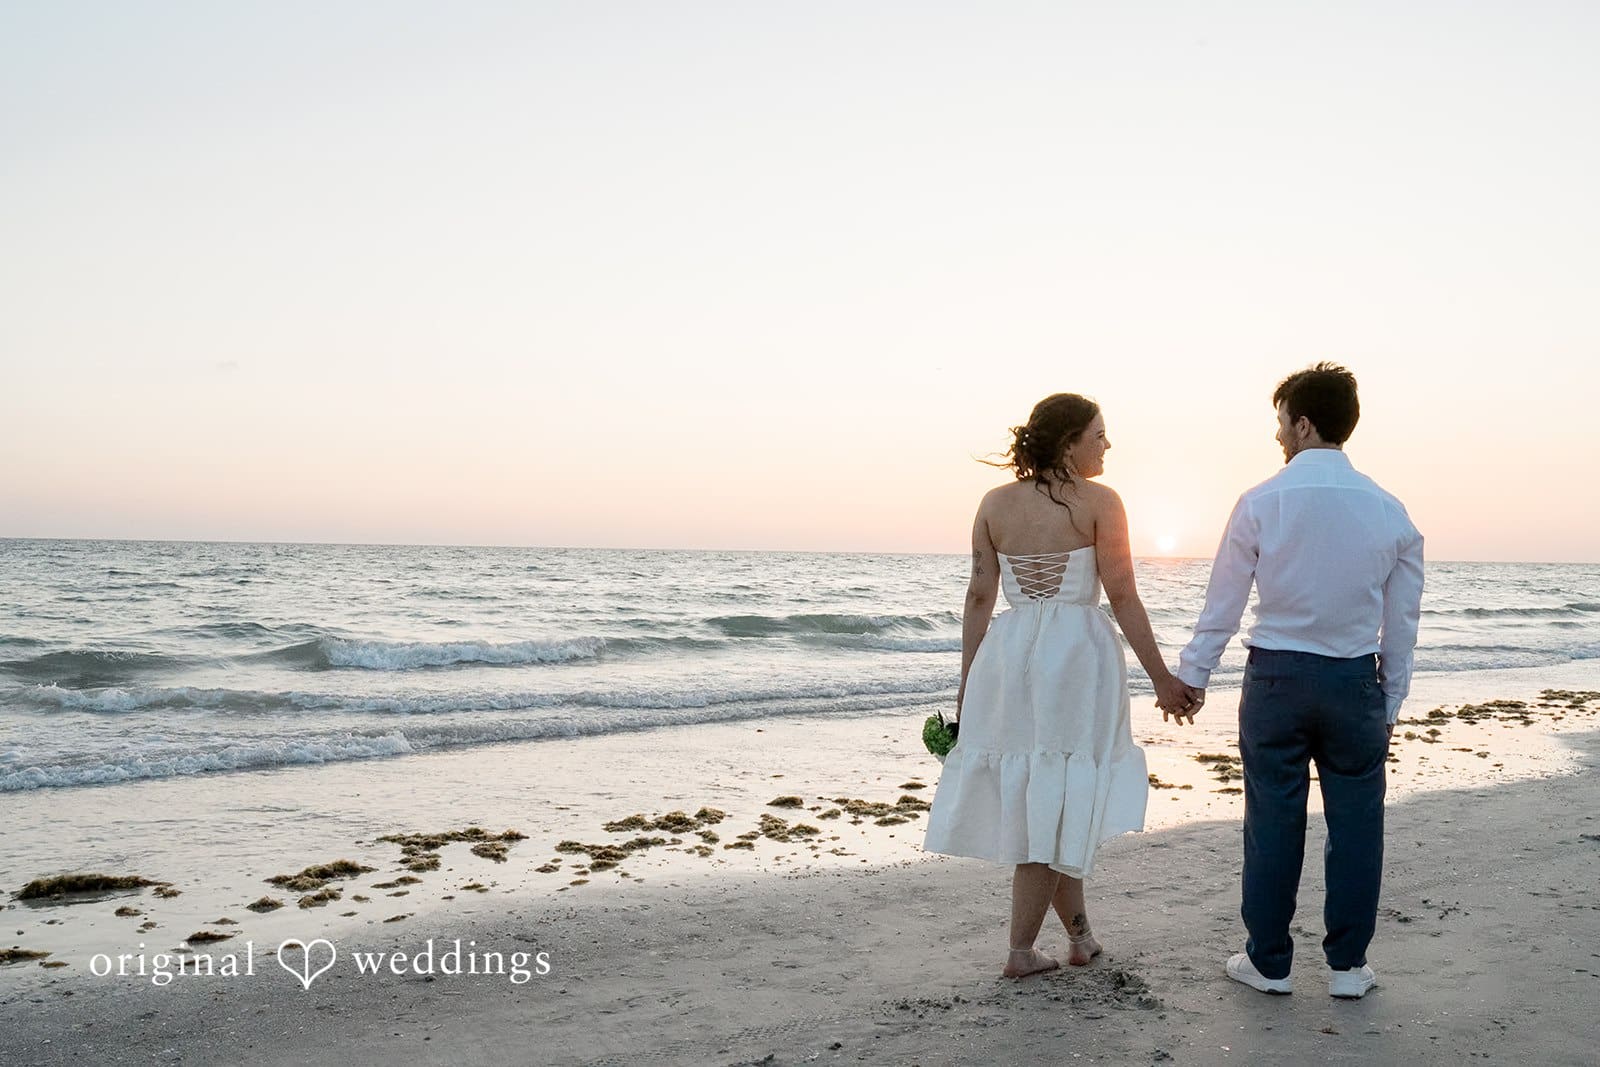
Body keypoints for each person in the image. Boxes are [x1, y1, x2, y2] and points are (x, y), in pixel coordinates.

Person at [922, 392, 1197, 979]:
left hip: (1008, 656)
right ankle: (1021, 952)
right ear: (1070, 442)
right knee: (1054, 795)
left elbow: (979, 597)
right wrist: (1161, 678)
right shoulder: (1102, 502)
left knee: (1052, 792)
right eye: (1098, 435)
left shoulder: (994, 503)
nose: (1107, 445)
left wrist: (969, 686)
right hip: (1075, 658)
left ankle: (1080, 938)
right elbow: (1122, 593)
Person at [1176, 362, 1424, 1000]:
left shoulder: (1262, 500)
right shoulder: (1391, 510)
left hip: (1277, 680)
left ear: (1304, 424)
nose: (1278, 434)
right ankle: (1348, 968)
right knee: (1358, 825)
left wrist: (1194, 675)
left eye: (1282, 422)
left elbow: (1223, 603)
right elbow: (1401, 621)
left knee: (1272, 821)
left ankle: (1269, 963)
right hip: (1353, 681)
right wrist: (1391, 697)